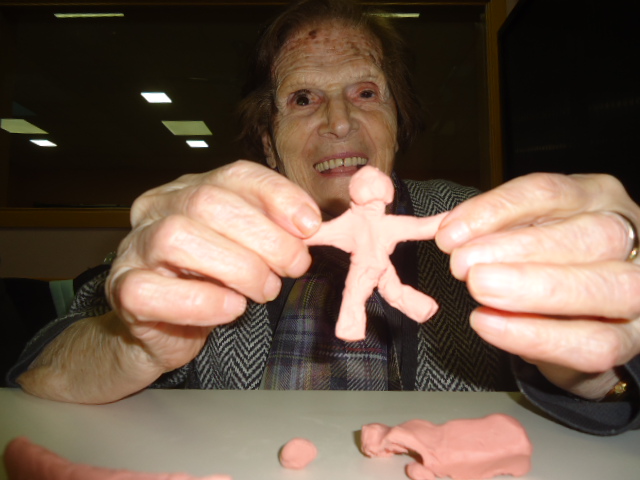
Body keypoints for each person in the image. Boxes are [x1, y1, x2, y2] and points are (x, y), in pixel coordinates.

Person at [7, 0, 639, 435]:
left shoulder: (478, 223)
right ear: (268, 140)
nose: (339, 121)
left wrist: (602, 370)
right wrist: (129, 341)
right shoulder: (204, 232)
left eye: (365, 92)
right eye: (304, 98)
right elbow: (34, 369)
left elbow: (614, 395)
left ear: (397, 122)